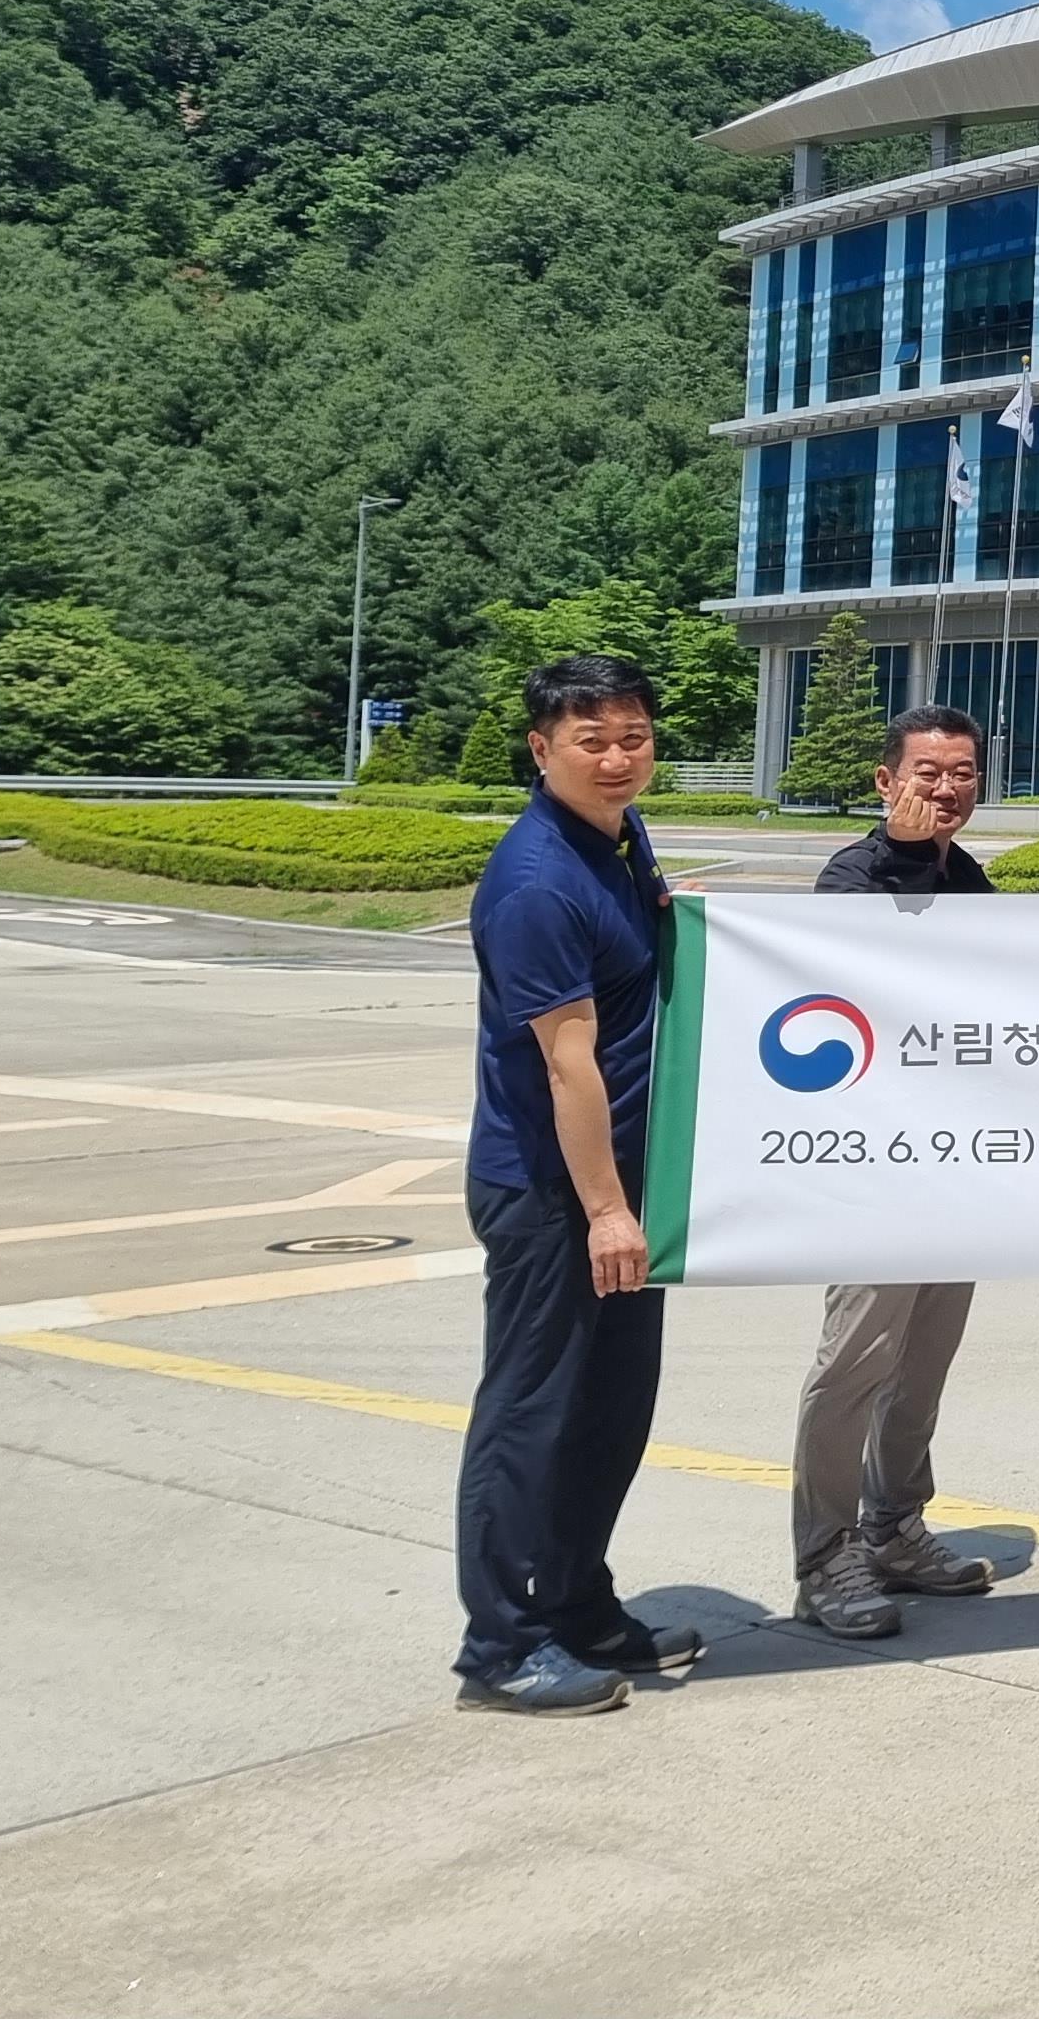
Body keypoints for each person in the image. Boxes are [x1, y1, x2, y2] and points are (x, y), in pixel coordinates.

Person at [451, 654, 702, 1715]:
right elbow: (569, 1064)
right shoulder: (535, 884)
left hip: (626, 1185)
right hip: (554, 1194)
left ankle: (581, 1604)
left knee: (609, 1410)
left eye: (633, 736)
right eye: (591, 740)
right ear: (541, 749)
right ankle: (501, 1648)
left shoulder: (620, 834)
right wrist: (604, 1208)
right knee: (533, 1411)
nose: (616, 757)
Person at [785, 708, 1008, 1639]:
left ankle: (894, 1524)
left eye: (961, 773)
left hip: (952, 1168)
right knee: (855, 1365)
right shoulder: (854, 875)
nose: (944, 788)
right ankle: (823, 1554)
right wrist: (911, 860)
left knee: (923, 1361)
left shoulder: (976, 882)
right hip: (871, 1170)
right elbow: (865, 966)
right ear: (886, 784)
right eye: (926, 772)